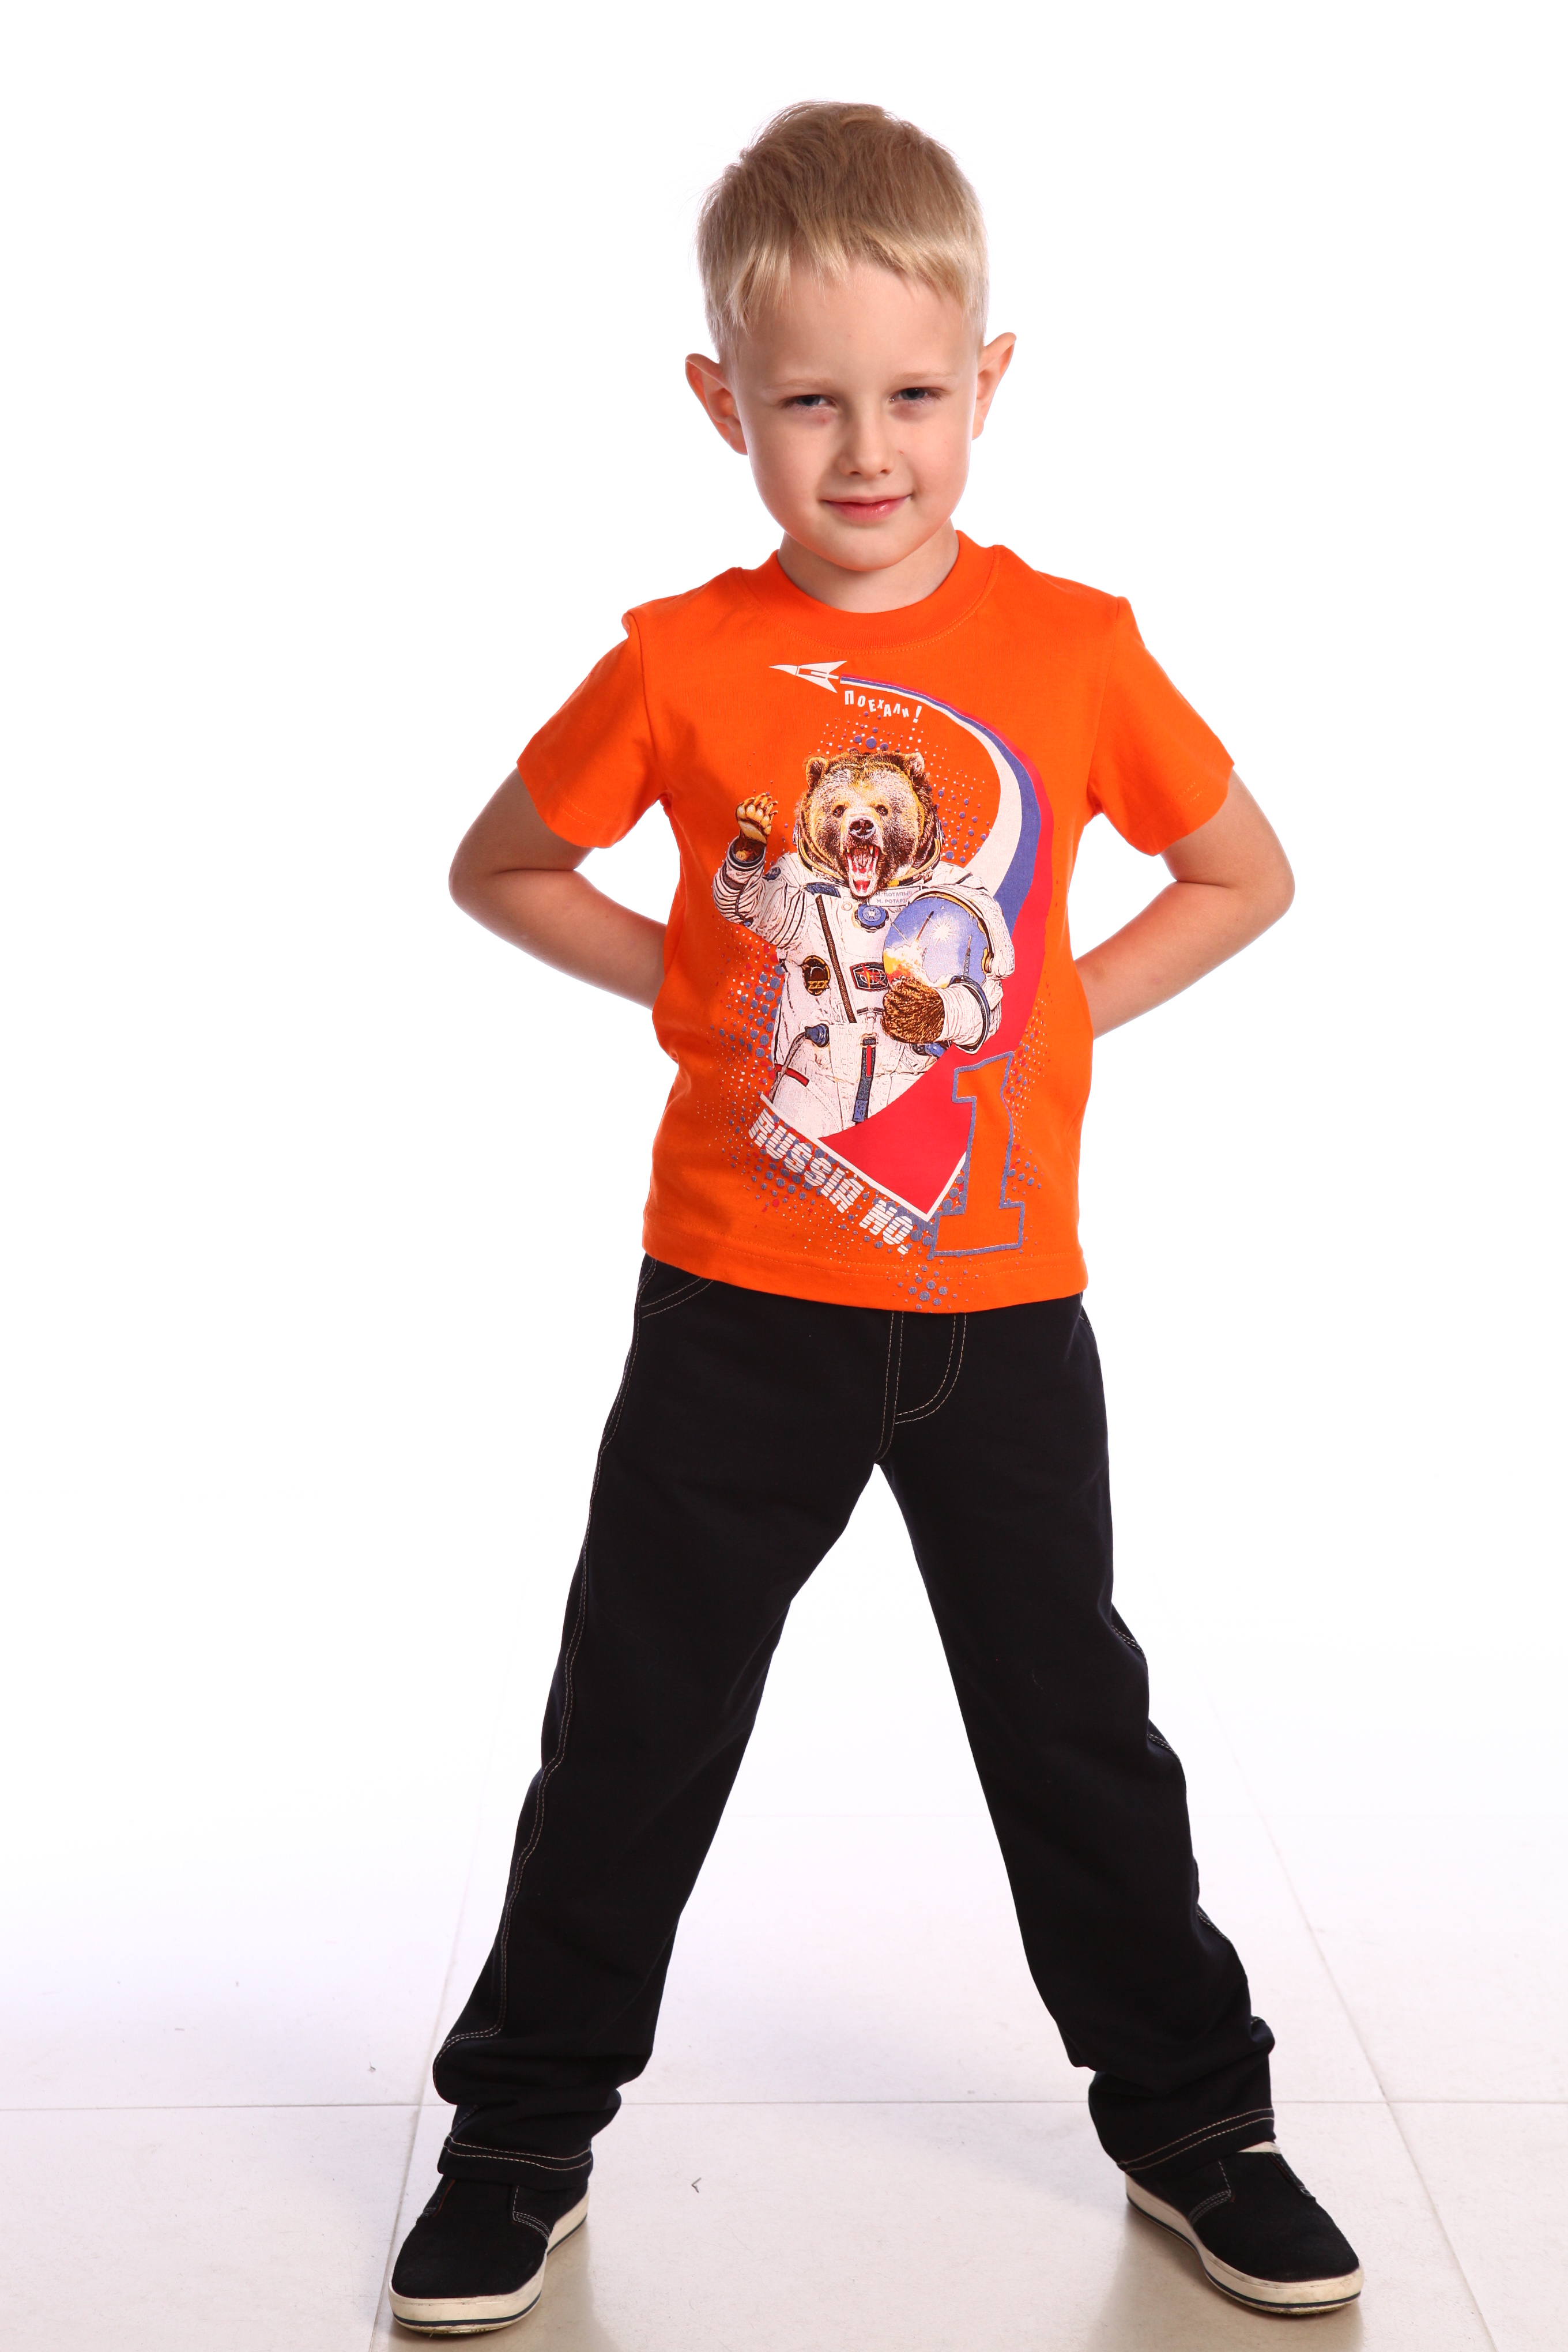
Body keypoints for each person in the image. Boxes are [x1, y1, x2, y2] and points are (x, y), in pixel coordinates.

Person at [389, 100, 1361, 2335]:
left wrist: (1055, 1011)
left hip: (1002, 1314)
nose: (864, 449)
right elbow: (501, 865)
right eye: (808, 400)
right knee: (635, 1726)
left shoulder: (1076, 645)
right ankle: (519, 2137)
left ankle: (1195, 2125)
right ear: (720, 400)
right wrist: (702, 982)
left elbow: (1240, 875)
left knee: (1070, 1727)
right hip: (739, 1307)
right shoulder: (676, 658)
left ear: (987, 384)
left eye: (912, 394)